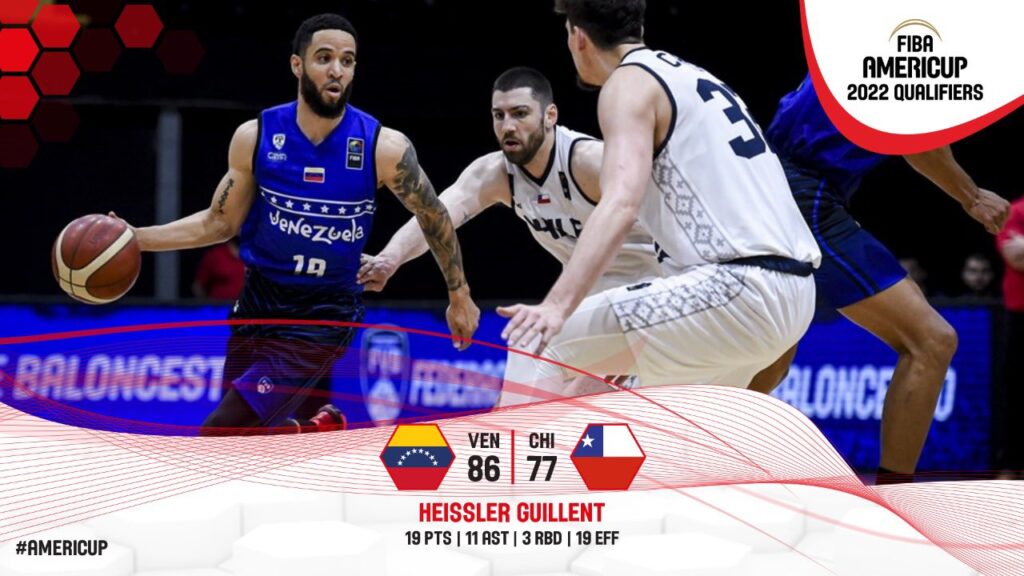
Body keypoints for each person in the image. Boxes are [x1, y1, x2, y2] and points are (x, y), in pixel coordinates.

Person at [113, 14, 478, 435]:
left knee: (219, 432)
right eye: (324, 58)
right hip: (258, 301)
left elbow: (433, 214)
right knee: (243, 440)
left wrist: (459, 293)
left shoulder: (383, 147)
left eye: (347, 60)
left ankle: (310, 430)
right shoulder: (256, 137)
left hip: (322, 315)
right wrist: (136, 238)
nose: (337, 69)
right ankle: (318, 430)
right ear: (297, 65)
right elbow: (218, 222)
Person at [498, 1, 820, 396]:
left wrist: (556, 306)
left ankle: (511, 441)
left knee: (535, 339)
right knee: (639, 411)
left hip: (735, 289)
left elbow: (620, 203)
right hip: (794, 293)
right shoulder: (690, 75)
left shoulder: (627, 84)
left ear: (577, 37)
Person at [747, 74, 1010, 483]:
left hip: (766, 180)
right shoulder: (903, 51)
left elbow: (922, 129)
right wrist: (971, 196)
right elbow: (916, 139)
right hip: (802, 191)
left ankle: (684, 463)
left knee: (772, 357)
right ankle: (893, 498)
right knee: (931, 341)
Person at [357, 67, 664, 407]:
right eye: (499, 115)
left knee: (535, 352)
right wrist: (390, 259)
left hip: (661, 298)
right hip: (596, 305)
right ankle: (518, 435)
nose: (508, 126)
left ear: (550, 116)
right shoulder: (497, 174)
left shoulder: (588, 161)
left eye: (520, 114)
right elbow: (436, 215)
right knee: (542, 402)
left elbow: (672, 214)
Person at [997, 196, 1024, 479]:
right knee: (1015, 395)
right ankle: (1011, 466)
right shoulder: (1014, 211)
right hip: (1019, 317)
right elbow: (1015, 257)